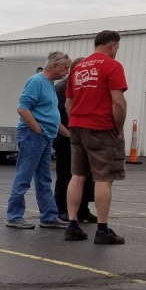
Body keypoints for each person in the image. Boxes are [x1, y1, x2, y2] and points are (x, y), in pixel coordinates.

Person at [64, 30, 128, 244]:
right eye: (117, 47)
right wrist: (118, 128)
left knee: (77, 175)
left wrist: (76, 122)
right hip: (101, 127)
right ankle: (102, 229)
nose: (116, 51)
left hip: (77, 126)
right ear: (112, 45)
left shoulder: (78, 68)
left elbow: (68, 104)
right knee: (103, 178)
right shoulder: (112, 66)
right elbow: (118, 102)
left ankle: (72, 225)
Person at [6, 51, 71, 230]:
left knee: (44, 178)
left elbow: (50, 115)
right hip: (33, 136)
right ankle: (14, 216)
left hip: (45, 137)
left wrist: (67, 134)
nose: (67, 72)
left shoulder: (49, 84)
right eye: (65, 68)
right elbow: (22, 108)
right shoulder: (36, 82)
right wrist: (37, 129)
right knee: (24, 176)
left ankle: (49, 216)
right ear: (55, 65)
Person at [53, 56, 95, 223]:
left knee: (85, 175)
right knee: (66, 174)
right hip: (65, 138)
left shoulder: (82, 87)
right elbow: (56, 114)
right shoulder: (62, 88)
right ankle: (62, 209)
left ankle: (83, 209)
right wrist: (66, 132)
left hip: (82, 136)